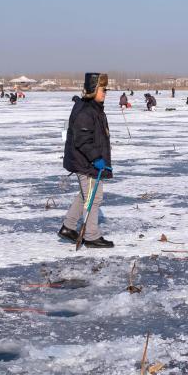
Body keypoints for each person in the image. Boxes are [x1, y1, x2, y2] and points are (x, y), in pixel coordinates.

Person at [58, 73, 114, 248]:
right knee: (93, 197)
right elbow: (82, 140)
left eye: (106, 89)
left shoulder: (92, 108)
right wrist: (96, 158)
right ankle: (90, 235)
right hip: (86, 162)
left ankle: (68, 226)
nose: (105, 92)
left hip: (83, 160)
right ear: (93, 90)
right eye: (102, 89)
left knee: (85, 195)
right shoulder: (86, 111)